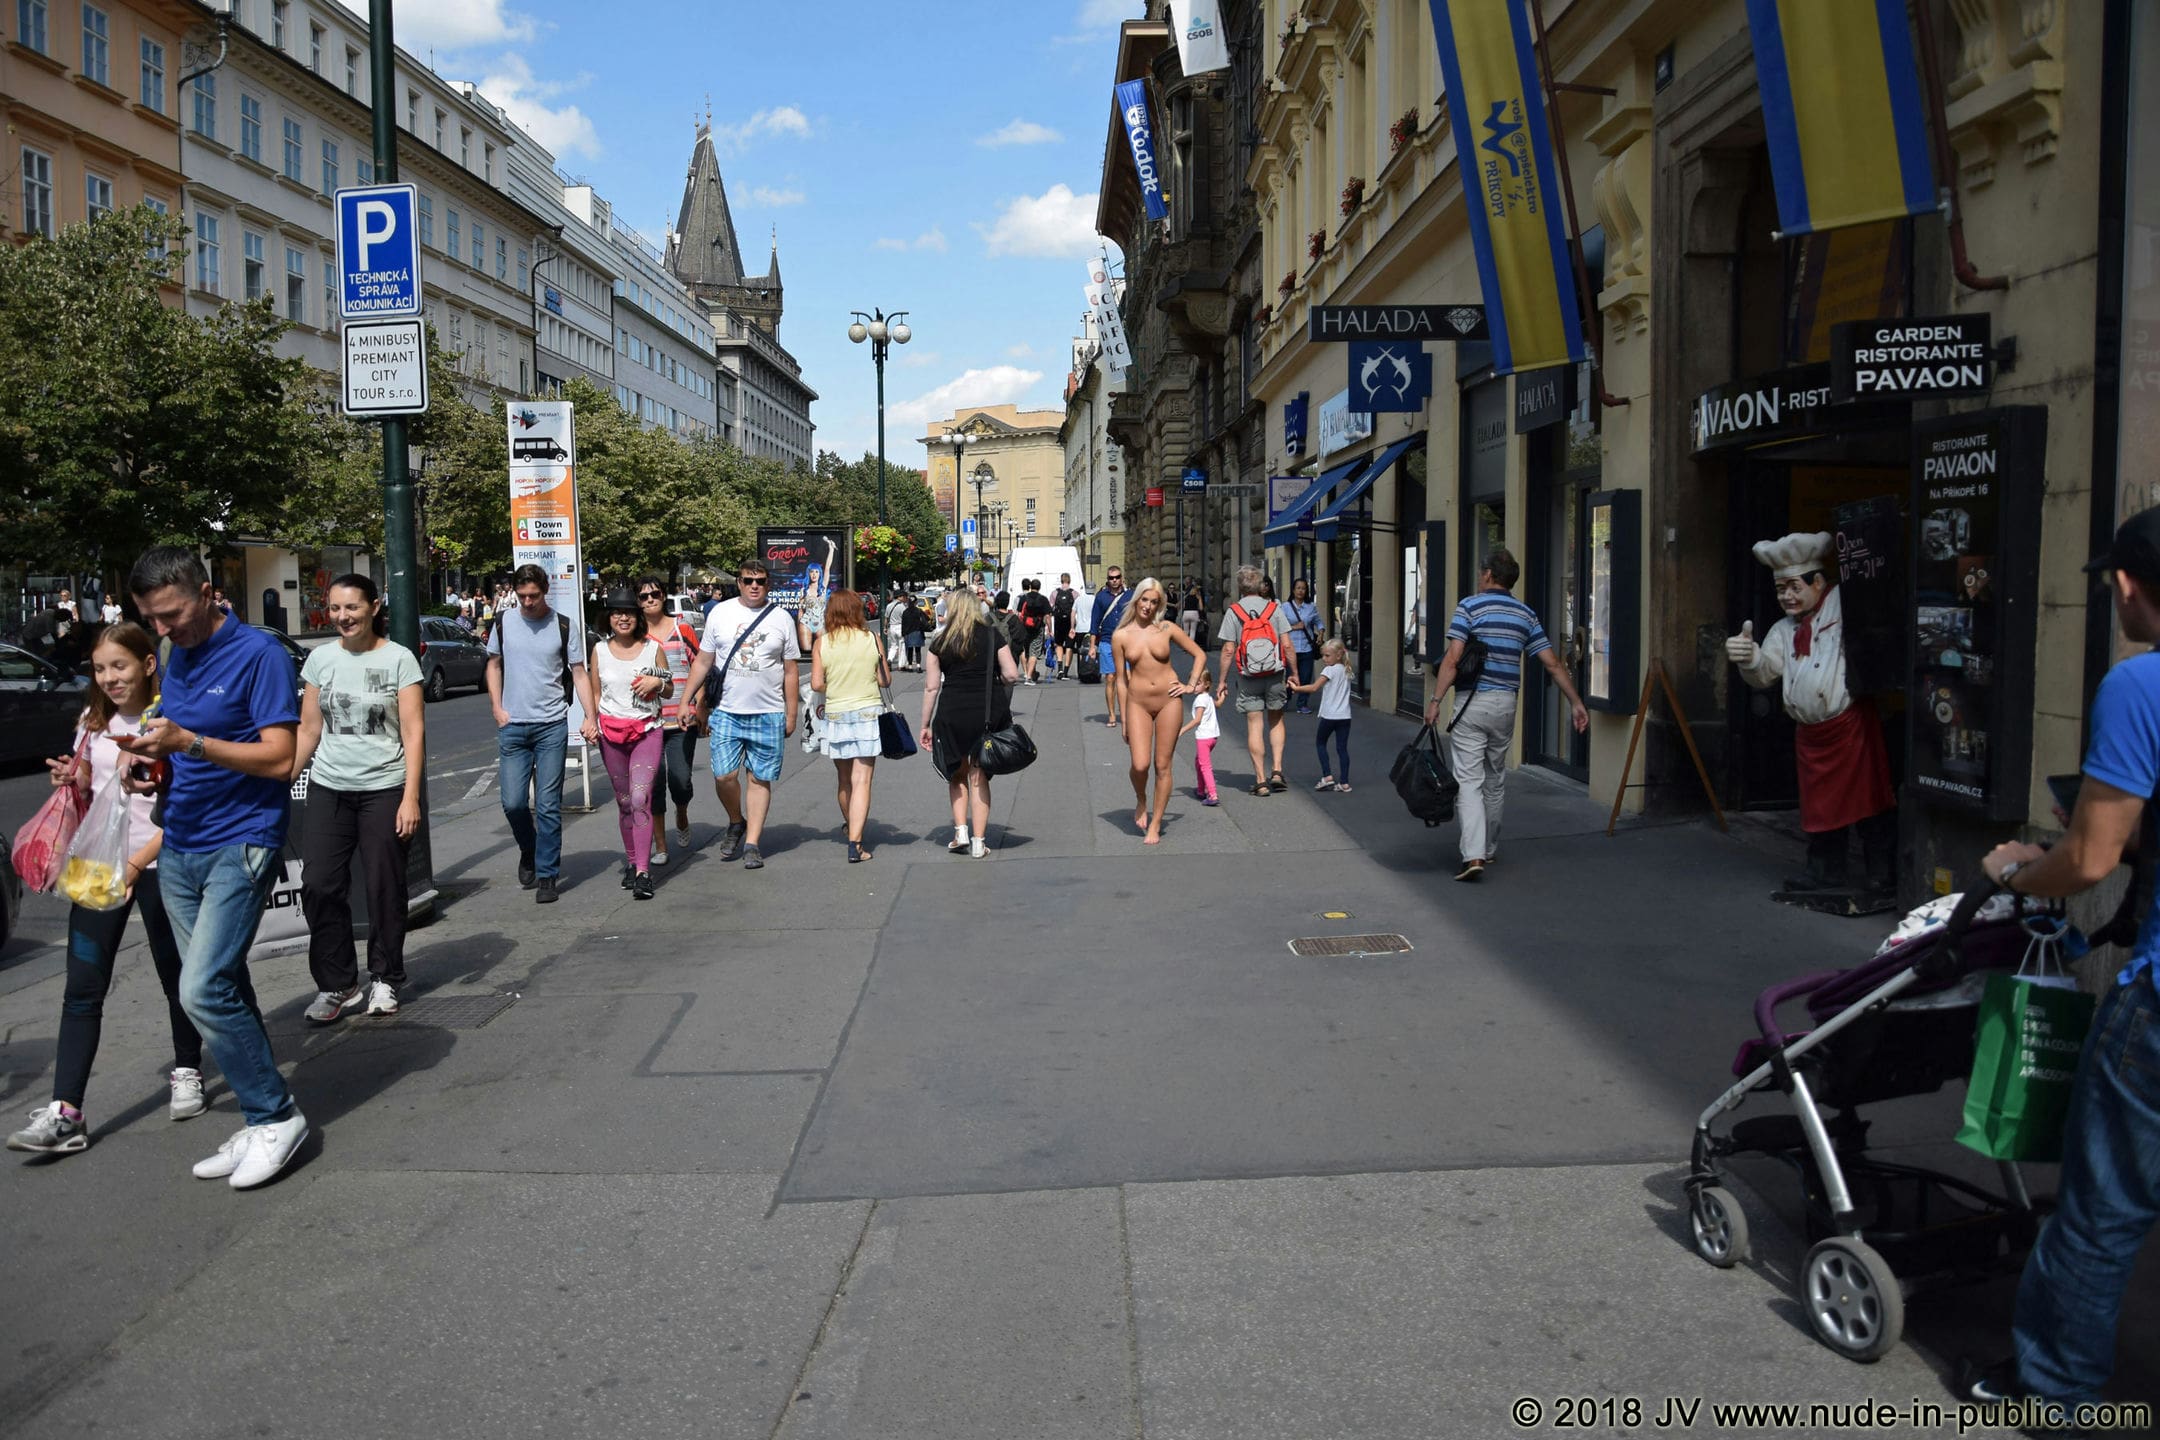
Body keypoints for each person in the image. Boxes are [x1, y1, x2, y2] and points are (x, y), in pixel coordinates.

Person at [1963, 506, 2160, 1419]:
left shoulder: (2140, 684)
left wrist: (2017, 870)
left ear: (2125, 584)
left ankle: (2055, 1389)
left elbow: (2087, 858)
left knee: (2105, 1207)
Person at [112, 547, 306, 1189]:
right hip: (180, 843)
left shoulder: (260, 654)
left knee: (199, 989)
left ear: (206, 592)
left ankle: (276, 1116)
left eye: (170, 615)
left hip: (241, 841)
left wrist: (188, 743)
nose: (161, 629)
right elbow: (175, 737)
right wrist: (149, 762)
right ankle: (259, 1117)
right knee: (223, 987)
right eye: (150, 618)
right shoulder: (176, 652)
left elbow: (280, 759)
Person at [7, 624, 204, 1157]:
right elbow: (92, 791)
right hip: (99, 869)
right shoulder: (92, 724)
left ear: (147, 664)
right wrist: (71, 779)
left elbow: (189, 807)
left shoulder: (170, 722)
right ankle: (66, 1111)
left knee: (177, 978)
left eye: (119, 666)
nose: (109, 678)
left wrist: (139, 862)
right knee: (82, 988)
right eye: (99, 669)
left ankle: (188, 1068)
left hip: (162, 865)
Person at [293, 574, 424, 1023]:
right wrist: (282, 779)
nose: (342, 616)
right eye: (335, 608)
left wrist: (410, 797)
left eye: (351, 607)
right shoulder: (320, 659)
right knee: (319, 884)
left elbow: (413, 732)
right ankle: (338, 984)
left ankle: (385, 978)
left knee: (383, 885)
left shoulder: (399, 659)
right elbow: (308, 729)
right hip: (329, 786)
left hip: (384, 788)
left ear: (373, 607)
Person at [1423, 547, 1587, 883]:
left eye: (1480, 572)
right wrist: (1576, 702)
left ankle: (1473, 854)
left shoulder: (1469, 607)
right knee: (1495, 777)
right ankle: (1489, 847)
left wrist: (1436, 700)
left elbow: (1453, 659)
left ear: (1487, 574)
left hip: (1473, 703)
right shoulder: (1525, 614)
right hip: (1506, 705)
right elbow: (1552, 663)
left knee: (1469, 781)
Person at [486, 565, 599, 905]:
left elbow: (578, 672)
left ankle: (547, 874)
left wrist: (590, 716)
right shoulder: (503, 622)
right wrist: (497, 708)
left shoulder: (563, 625)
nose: (528, 602)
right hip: (513, 726)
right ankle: (529, 848)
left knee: (549, 805)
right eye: (522, 596)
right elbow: (493, 664)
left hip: (551, 725)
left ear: (545, 590)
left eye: (533, 595)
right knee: (513, 803)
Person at [679, 558, 799, 871]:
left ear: (768, 584)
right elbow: (703, 661)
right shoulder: (721, 613)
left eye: (760, 581)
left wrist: (791, 713)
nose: (754, 586)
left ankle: (752, 843)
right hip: (726, 711)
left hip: (768, 711)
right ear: (739, 583)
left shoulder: (781, 618)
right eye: (748, 580)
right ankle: (736, 820)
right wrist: (685, 701)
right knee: (724, 776)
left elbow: (790, 670)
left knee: (759, 778)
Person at [920, 588, 1018, 859]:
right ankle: (978, 841)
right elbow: (1011, 674)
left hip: (952, 712)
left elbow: (931, 688)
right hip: (987, 713)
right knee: (979, 774)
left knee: (957, 773)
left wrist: (925, 724)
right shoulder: (992, 635)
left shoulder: (940, 642)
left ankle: (961, 831)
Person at [1113, 578, 1211, 843]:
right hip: (1138, 703)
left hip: (1170, 701)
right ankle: (1141, 799)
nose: (1148, 606)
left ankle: (1156, 823)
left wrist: (1190, 685)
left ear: (1159, 605)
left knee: (1162, 764)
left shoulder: (1166, 628)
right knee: (1140, 764)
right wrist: (1123, 720)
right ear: (1136, 600)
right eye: (1144, 600)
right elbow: (1121, 681)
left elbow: (1199, 654)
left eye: (1154, 602)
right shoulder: (1121, 636)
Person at [592, 588, 667, 899]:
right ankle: (633, 860)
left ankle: (643, 873)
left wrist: (657, 682)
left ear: (638, 617)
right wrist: (591, 721)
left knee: (639, 798)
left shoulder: (652, 649)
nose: (623, 618)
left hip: (647, 730)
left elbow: (668, 687)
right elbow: (596, 693)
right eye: (616, 612)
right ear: (609, 617)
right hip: (611, 734)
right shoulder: (599, 650)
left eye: (629, 613)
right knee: (624, 802)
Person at [813, 589, 891, 863]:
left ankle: (851, 828)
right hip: (868, 712)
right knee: (862, 780)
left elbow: (816, 684)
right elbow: (884, 681)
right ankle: (855, 843)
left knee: (845, 780)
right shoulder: (871, 638)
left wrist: (836, 685)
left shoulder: (823, 642)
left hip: (836, 714)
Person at [1215, 565, 1293, 796]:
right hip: (1275, 674)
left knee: (1254, 725)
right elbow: (1287, 645)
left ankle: (1260, 781)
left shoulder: (1234, 612)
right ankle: (1277, 771)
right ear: (1261, 585)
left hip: (1249, 676)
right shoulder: (1274, 608)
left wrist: (1221, 681)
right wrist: (1295, 673)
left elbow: (1228, 650)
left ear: (1240, 587)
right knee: (1276, 719)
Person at [638, 576, 701, 866]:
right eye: (644, 596)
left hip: (681, 719)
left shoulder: (682, 628)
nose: (650, 599)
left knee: (680, 779)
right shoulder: (637, 636)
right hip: (648, 722)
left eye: (655, 594)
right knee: (653, 785)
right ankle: (661, 845)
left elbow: (700, 666)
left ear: (663, 596)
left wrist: (700, 705)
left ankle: (682, 811)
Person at [1289, 638, 1355, 792]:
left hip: (1330, 716)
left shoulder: (1329, 671)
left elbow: (1314, 687)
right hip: (1345, 716)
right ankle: (1344, 782)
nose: (1324, 659)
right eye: (1323, 655)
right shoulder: (1347, 670)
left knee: (1320, 743)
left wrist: (1296, 689)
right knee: (1342, 749)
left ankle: (1327, 776)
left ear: (1338, 655)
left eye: (1327, 656)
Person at [1091, 568, 1133, 726]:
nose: (1114, 580)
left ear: (1121, 578)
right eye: (1111, 578)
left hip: (1127, 641)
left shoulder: (1130, 595)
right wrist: (1092, 646)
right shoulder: (1101, 597)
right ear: (1107, 579)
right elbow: (1095, 621)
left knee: (1128, 677)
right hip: (1107, 641)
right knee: (1110, 677)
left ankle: (1127, 712)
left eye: (1117, 577)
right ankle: (1112, 715)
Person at [1178, 675, 1221, 807]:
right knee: (1199, 762)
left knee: (1205, 765)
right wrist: (1222, 695)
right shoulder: (1208, 697)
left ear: (1206, 684)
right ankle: (1201, 790)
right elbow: (1218, 704)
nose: (1195, 686)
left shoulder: (1200, 700)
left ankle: (1212, 794)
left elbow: (1197, 720)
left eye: (1198, 683)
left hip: (1204, 737)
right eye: (1193, 683)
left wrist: (1182, 730)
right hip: (1213, 737)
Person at [1284, 578, 1323, 714]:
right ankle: (1285, 700)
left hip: (1307, 647)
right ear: (1293, 590)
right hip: (1291, 648)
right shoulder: (1285, 607)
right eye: (1298, 588)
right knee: (1290, 677)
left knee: (1306, 677)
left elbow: (1319, 622)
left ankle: (1302, 704)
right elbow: (1279, 626)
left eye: (1303, 588)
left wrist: (1321, 634)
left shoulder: (1311, 607)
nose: (1301, 591)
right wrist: (1295, 627)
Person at [1016, 579, 1053, 685]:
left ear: (1030, 587)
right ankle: (1028, 677)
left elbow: (1019, 614)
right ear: (1039, 587)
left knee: (1027, 652)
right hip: (1038, 628)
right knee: (1034, 653)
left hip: (1025, 628)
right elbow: (1047, 616)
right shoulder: (1043, 599)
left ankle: (1030, 673)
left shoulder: (1024, 598)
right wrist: (1050, 630)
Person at [1052, 573, 1079, 679]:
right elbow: (1077, 609)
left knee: (1059, 645)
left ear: (1061, 580)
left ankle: (1060, 669)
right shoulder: (1074, 593)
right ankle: (1066, 671)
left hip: (1058, 622)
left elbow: (1051, 607)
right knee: (1069, 646)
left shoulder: (1055, 593)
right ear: (1069, 580)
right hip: (1070, 623)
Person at [901, 593, 930, 672]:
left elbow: (903, 624)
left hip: (908, 633)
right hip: (918, 632)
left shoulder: (905, 612)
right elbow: (927, 618)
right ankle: (918, 666)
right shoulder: (918, 611)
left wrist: (903, 634)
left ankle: (910, 666)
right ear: (916, 602)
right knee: (918, 650)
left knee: (910, 650)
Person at [885, 588, 908, 671]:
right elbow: (905, 618)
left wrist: (885, 627)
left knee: (893, 645)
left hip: (892, 627)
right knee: (902, 646)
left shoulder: (889, 606)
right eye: (904, 597)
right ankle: (901, 665)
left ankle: (889, 659)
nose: (905, 598)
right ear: (900, 597)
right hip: (900, 627)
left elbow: (886, 618)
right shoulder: (902, 607)